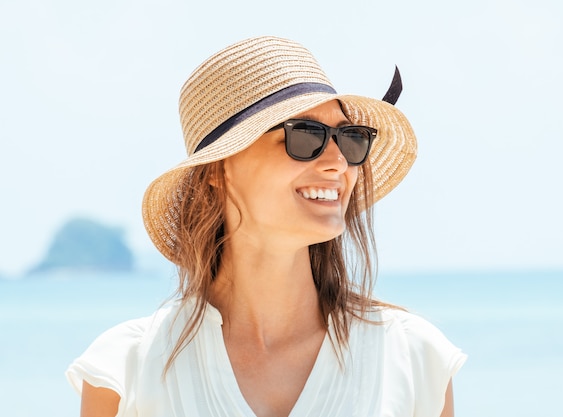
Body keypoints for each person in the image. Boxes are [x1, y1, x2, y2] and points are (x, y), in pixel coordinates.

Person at [66, 36, 466, 417]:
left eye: (350, 138)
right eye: (306, 135)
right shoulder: (125, 370)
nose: (338, 162)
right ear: (219, 170)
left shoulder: (414, 358)